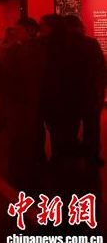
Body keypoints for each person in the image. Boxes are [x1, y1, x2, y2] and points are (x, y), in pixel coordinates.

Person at [0, 17, 46, 189]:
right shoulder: (22, 48)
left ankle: (22, 178)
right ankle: (20, 175)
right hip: (17, 98)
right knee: (17, 138)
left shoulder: (34, 49)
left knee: (22, 139)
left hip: (23, 99)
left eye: (18, 30)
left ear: (30, 31)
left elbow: (22, 75)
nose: (14, 33)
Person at [63, 14, 107, 166]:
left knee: (70, 126)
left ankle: (71, 154)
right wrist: (100, 90)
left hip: (69, 93)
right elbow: (100, 68)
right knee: (92, 127)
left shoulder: (62, 45)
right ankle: (92, 155)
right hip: (90, 92)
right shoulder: (90, 43)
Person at [39, 14, 82, 161]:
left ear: (52, 27)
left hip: (56, 95)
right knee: (67, 129)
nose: (40, 29)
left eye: (43, 25)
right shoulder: (73, 43)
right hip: (70, 94)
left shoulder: (47, 45)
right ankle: (67, 158)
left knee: (58, 129)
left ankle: (60, 159)